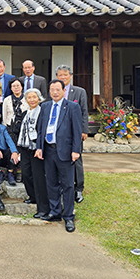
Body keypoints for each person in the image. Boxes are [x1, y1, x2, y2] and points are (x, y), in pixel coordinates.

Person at [36, 80, 83, 232]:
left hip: (65, 151)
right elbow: (41, 129)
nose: (55, 92)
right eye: (52, 90)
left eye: (58, 89)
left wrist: (76, 150)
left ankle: (68, 216)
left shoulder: (72, 107)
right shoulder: (45, 106)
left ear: (64, 91)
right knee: (51, 183)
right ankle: (55, 212)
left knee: (68, 185)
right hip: (49, 150)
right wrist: (39, 147)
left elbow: (77, 131)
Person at [56, 64, 89, 204]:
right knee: (60, 158)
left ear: (70, 76)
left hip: (75, 131)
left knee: (77, 159)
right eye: (60, 75)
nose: (63, 77)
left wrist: (84, 130)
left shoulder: (79, 92)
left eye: (65, 75)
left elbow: (84, 112)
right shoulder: (55, 91)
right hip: (59, 132)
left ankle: (79, 188)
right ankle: (63, 187)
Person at [17, 88, 50, 220]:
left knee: (38, 177)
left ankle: (43, 208)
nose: (31, 100)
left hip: (37, 148)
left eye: (34, 97)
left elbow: (42, 131)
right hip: (25, 147)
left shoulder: (42, 112)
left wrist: (40, 147)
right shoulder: (26, 113)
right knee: (25, 173)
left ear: (39, 98)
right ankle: (32, 196)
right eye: (29, 97)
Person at [2, 78, 28, 182]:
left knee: (22, 149)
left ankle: (20, 171)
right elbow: (4, 116)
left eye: (18, 85)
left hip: (23, 128)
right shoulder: (7, 100)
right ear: (11, 88)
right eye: (13, 86)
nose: (16, 88)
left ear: (22, 87)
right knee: (12, 150)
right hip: (10, 128)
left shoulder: (26, 99)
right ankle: (11, 171)